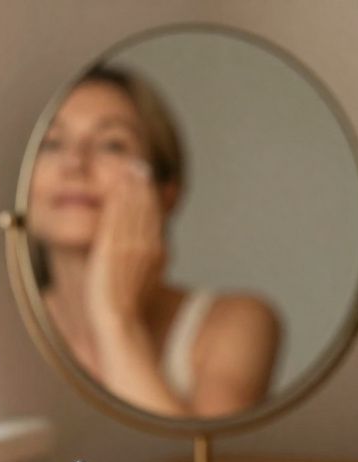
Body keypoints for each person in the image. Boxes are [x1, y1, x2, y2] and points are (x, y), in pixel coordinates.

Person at [27, 67, 280, 418]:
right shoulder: (7, 331)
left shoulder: (237, 323)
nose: (74, 164)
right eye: (52, 144)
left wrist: (115, 318)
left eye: (110, 144)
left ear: (166, 192)